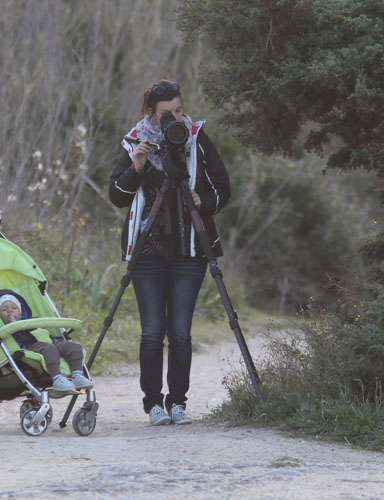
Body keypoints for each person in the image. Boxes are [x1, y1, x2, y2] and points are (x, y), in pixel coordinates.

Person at [109, 80, 230, 425]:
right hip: (147, 251)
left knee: (180, 331)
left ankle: (178, 402)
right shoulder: (136, 142)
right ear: (150, 113)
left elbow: (223, 188)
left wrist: (203, 202)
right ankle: (154, 405)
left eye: (179, 111)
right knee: (151, 332)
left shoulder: (196, 139)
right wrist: (137, 167)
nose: (176, 119)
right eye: (167, 114)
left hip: (189, 250)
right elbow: (117, 196)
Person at [0, 289, 93, 392]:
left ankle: (77, 375)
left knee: (74, 346)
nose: (10, 311)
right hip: (31, 346)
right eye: (4, 310)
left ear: (21, 312)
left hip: (51, 342)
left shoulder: (30, 321)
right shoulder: (5, 330)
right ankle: (57, 378)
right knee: (50, 349)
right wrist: (12, 324)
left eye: (14, 308)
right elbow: (15, 339)